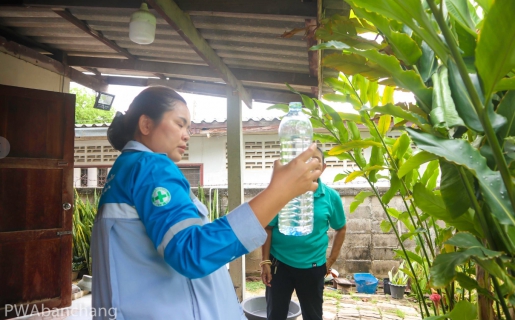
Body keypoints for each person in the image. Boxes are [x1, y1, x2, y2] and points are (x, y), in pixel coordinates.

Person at [90, 86, 322, 320]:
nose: (187, 134)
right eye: (180, 124)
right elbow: (190, 252)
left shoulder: (124, 169)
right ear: (146, 125)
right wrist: (278, 193)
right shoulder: (151, 167)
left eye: (188, 127)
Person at [260, 147, 347, 320]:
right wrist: (265, 262)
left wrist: (330, 261)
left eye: (316, 161)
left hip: (313, 268)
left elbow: (341, 228)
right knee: (275, 315)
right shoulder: (283, 194)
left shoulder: (331, 197)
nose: (311, 164)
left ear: (323, 167)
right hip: (279, 265)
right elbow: (267, 227)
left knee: (313, 316)